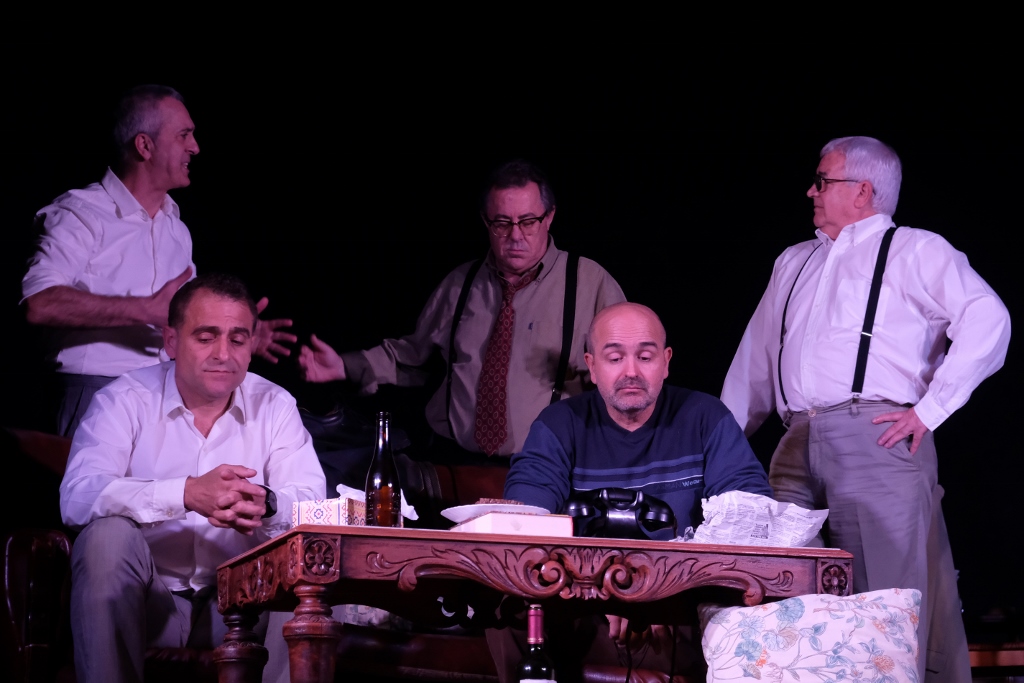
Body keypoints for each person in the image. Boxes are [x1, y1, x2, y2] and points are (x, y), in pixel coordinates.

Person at [721, 136, 1011, 682]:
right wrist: (721, 444)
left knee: (885, 610)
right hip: (794, 441)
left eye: (822, 181)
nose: (811, 191)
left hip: (875, 439)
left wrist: (930, 410)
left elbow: (988, 320)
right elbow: (754, 362)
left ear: (862, 191)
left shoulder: (915, 249)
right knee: (782, 600)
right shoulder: (795, 261)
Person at [59, 274, 326, 683]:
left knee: (301, 550)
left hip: (241, 609)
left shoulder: (275, 405)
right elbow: (78, 497)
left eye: (238, 339)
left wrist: (267, 503)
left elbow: (314, 507)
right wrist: (184, 493)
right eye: (205, 337)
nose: (223, 354)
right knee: (105, 537)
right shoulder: (123, 399)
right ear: (171, 341)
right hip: (147, 606)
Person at [498, 302, 772, 682]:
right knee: (511, 609)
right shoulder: (558, 424)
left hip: (683, 613)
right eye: (614, 358)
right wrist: (609, 588)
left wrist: (660, 593)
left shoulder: (707, 417)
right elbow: (522, 521)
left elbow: (753, 518)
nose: (631, 371)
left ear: (666, 362)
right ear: (592, 366)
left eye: (645, 357)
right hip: (585, 607)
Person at [298, 160, 625, 462]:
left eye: (528, 222)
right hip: (455, 464)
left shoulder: (589, 283)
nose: (515, 235)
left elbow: (627, 375)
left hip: (550, 467)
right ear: (485, 220)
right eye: (501, 223)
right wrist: (345, 365)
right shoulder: (461, 284)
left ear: (549, 216)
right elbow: (412, 357)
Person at [22, 85, 296, 438]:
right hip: (95, 393)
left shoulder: (176, 229)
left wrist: (231, 337)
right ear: (145, 145)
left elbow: (182, 322)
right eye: (184, 135)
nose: (195, 147)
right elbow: (38, 303)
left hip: (164, 397)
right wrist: (145, 309)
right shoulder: (80, 214)